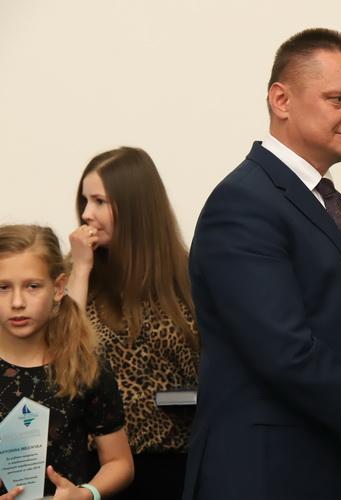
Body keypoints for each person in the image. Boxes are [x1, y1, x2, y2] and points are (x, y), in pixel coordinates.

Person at [184, 28, 341, 500]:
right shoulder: (243, 202)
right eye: (338, 99)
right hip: (269, 476)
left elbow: (329, 332)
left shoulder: (331, 203)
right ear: (281, 99)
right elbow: (286, 352)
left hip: (327, 471)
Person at [66, 147, 199, 499]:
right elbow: (64, 349)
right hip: (97, 469)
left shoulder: (189, 277)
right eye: (85, 201)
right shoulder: (77, 276)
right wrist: (80, 269)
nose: (86, 214)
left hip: (176, 465)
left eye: (99, 202)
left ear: (135, 207)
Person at [0, 224, 133, 499]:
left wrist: (85, 494)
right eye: (3, 288)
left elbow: (119, 462)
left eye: (32, 286)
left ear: (59, 288)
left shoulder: (83, 365)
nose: (17, 302)